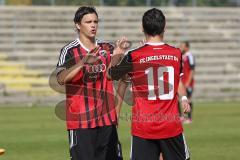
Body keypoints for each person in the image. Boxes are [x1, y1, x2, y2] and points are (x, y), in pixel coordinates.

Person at [109, 8, 191, 160]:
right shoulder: (176, 54)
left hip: (144, 128)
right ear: (164, 27)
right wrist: (184, 98)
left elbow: (112, 75)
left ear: (142, 27)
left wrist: (117, 54)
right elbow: (177, 79)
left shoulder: (134, 56)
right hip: (171, 126)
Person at [55, 6, 126, 160]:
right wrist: (82, 62)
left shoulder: (107, 48)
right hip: (81, 123)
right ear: (78, 25)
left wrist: (118, 58)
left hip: (107, 121)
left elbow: (117, 78)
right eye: (88, 22)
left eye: (95, 21)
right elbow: (60, 79)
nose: (93, 25)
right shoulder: (69, 51)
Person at [180, 41, 195, 124]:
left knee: (188, 99)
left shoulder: (190, 56)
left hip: (187, 82)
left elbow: (192, 70)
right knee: (180, 99)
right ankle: (182, 117)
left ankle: (189, 118)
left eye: (182, 46)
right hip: (182, 81)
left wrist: (188, 82)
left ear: (187, 47)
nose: (181, 47)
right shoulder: (182, 56)